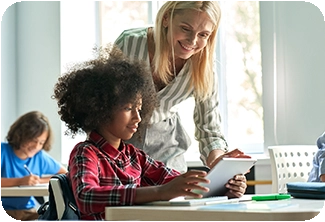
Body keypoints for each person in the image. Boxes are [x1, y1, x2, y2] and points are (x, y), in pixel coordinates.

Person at [52, 45, 248, 220]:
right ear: (100, 109)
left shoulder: (134, 156)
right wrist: (158, 192)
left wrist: (223, 184)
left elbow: (177, 183)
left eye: (139, 108)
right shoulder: (85, 153)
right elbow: (87, 197)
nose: (138, 117)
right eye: (129, 108)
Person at [114, 0, 248, 173]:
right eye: (185, 29)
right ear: (166, 19)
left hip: (167, 153)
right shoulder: (130, 44)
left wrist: (220, 163)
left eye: (203, 35)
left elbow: (209, 130)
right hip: (119, 148)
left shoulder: (205, 68)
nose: (192, 41)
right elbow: (102, 108)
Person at [0, 111, 67, 221]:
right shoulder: (2, 151)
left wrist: (39, 180)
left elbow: (65, 174)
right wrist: (20, 181)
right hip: (3, 211)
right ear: (21, 135)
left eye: (41, 143)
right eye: (33, 140)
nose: (36, 146)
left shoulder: (40, 157)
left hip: (28, 211)